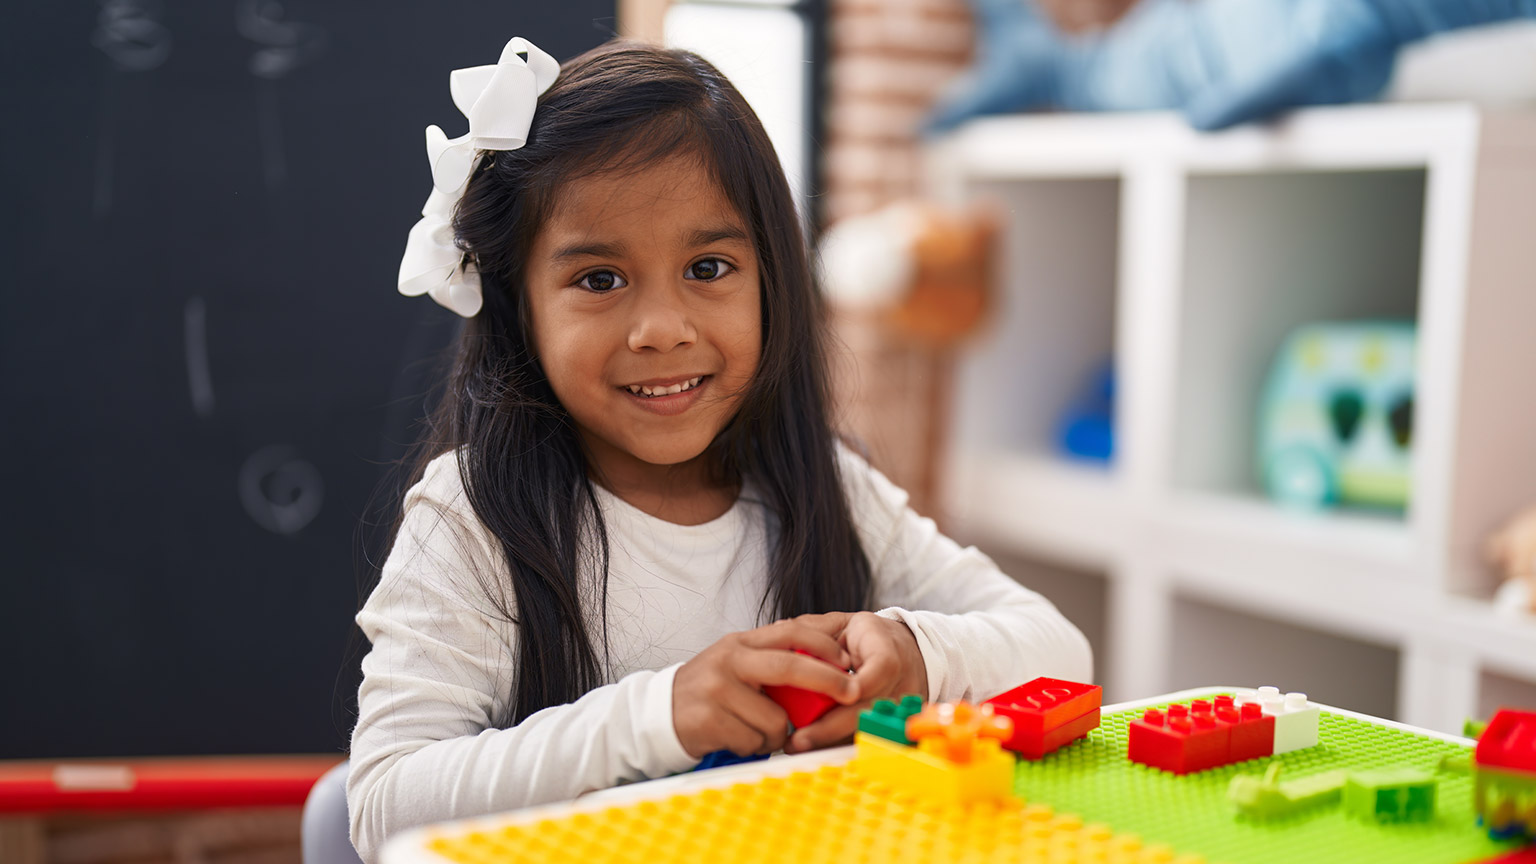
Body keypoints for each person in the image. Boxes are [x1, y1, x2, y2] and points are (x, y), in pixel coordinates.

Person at [347, 36, 1091, 862]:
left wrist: (924, 654)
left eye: (709, 267)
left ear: (772, 278)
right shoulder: (472, 516)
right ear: (521, 306)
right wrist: (659, 716)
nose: (664, 329)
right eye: (599, 279)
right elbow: (382, 804)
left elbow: (1061, 649)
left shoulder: (823, 487)